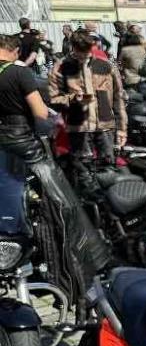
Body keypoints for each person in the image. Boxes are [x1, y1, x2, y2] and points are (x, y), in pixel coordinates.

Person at [0, 33, 111, 308]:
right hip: (25, 145)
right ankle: (77, 273)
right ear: (13, 51)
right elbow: (40, 112)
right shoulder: (17, 73)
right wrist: (53, 125)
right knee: (63, 206)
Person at [49, 30, 128, 170]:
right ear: (72, 47)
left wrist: (122, 129)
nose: (84, 54)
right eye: (80, 50)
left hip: (105, 127)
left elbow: (118, 99)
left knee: (108, 168)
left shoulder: (106, 66)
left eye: (87, 49)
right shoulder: (61, 68)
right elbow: (54, 99)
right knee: (83, 170)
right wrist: (72, 99)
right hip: (79, 129)